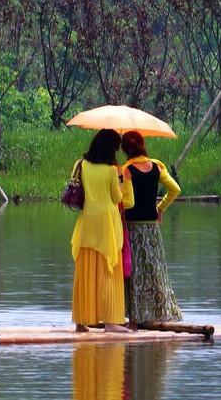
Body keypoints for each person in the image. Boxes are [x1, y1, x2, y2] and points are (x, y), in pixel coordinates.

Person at [71, 129, 133, 333]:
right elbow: (116, 199)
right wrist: (123, 181)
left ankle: (81, 321)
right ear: (111, 149)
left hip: (87, 222)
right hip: (107, 223)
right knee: (109, 272)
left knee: (85, 272)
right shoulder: (111, 170)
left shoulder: (81, 164)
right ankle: (111, 321)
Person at [119, 131, 183, 327]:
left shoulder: (126, 169)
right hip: (152, 228)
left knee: (134, 271)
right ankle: (160, 312)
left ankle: (134, 319)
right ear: (142, 145)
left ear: (125, 149)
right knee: (155, 270)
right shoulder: (157, 166)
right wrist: (160, 208)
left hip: (133, 228)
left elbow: (128, 203)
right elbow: (175, 190)